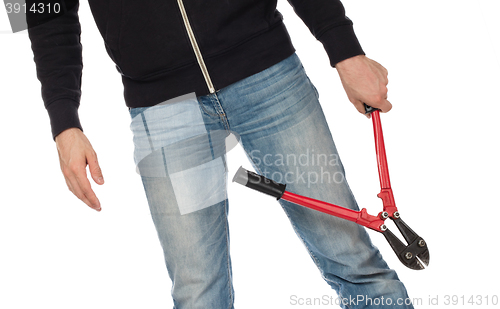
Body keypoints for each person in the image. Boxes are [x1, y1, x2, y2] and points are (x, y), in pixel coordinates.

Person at [27, 0, 412, 308]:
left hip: (268, 74)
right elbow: (42, 9)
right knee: (197, 297)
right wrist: (64, 121)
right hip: (162, 108)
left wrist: (344, 49)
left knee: (353, 262)